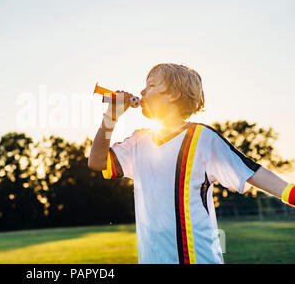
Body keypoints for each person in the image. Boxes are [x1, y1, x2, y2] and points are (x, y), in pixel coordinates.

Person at [88, 63, 295, 264]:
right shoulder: (137, 142)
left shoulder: (202, 138)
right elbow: (97, 162)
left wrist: (292, 195)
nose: (142, 91)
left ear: (174, 94)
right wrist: (111, 116)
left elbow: (251, 172)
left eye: (151, 86)